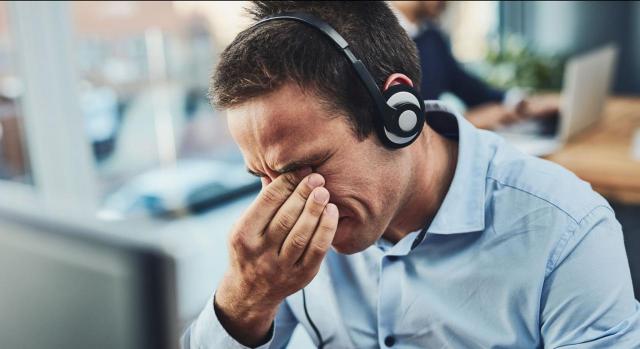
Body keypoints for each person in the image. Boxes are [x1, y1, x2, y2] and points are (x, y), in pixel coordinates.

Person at [182, 2, 640, 348]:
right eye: (262, 176)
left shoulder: (568, 232)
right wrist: (246, 297)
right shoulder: (281, 245)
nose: (284, 203)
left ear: (398, 113)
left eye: (304, 167)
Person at [390, 1, 558, 130]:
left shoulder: (431, 36)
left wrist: (523, 103)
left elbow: (470, 89)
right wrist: (465, 121)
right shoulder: (374, 39)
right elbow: (396, 120)